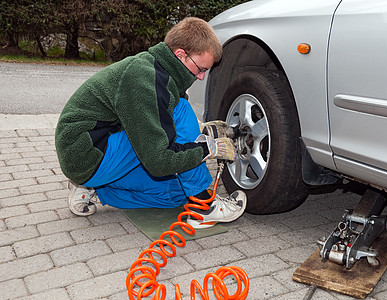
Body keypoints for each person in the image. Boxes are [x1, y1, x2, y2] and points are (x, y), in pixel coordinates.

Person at [54, 17, 247, 229]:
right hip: (85, 152)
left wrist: (198, 138)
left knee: (178, 194)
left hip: (99, 156)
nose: (201, 77)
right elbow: (159, 162)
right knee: (181, 110)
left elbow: (162, 129)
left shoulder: (162, 71)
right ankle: (204, 207)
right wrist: (206, 148)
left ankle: (97, 189)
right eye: (200, 69)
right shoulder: (144, 79)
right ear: (180, 55)